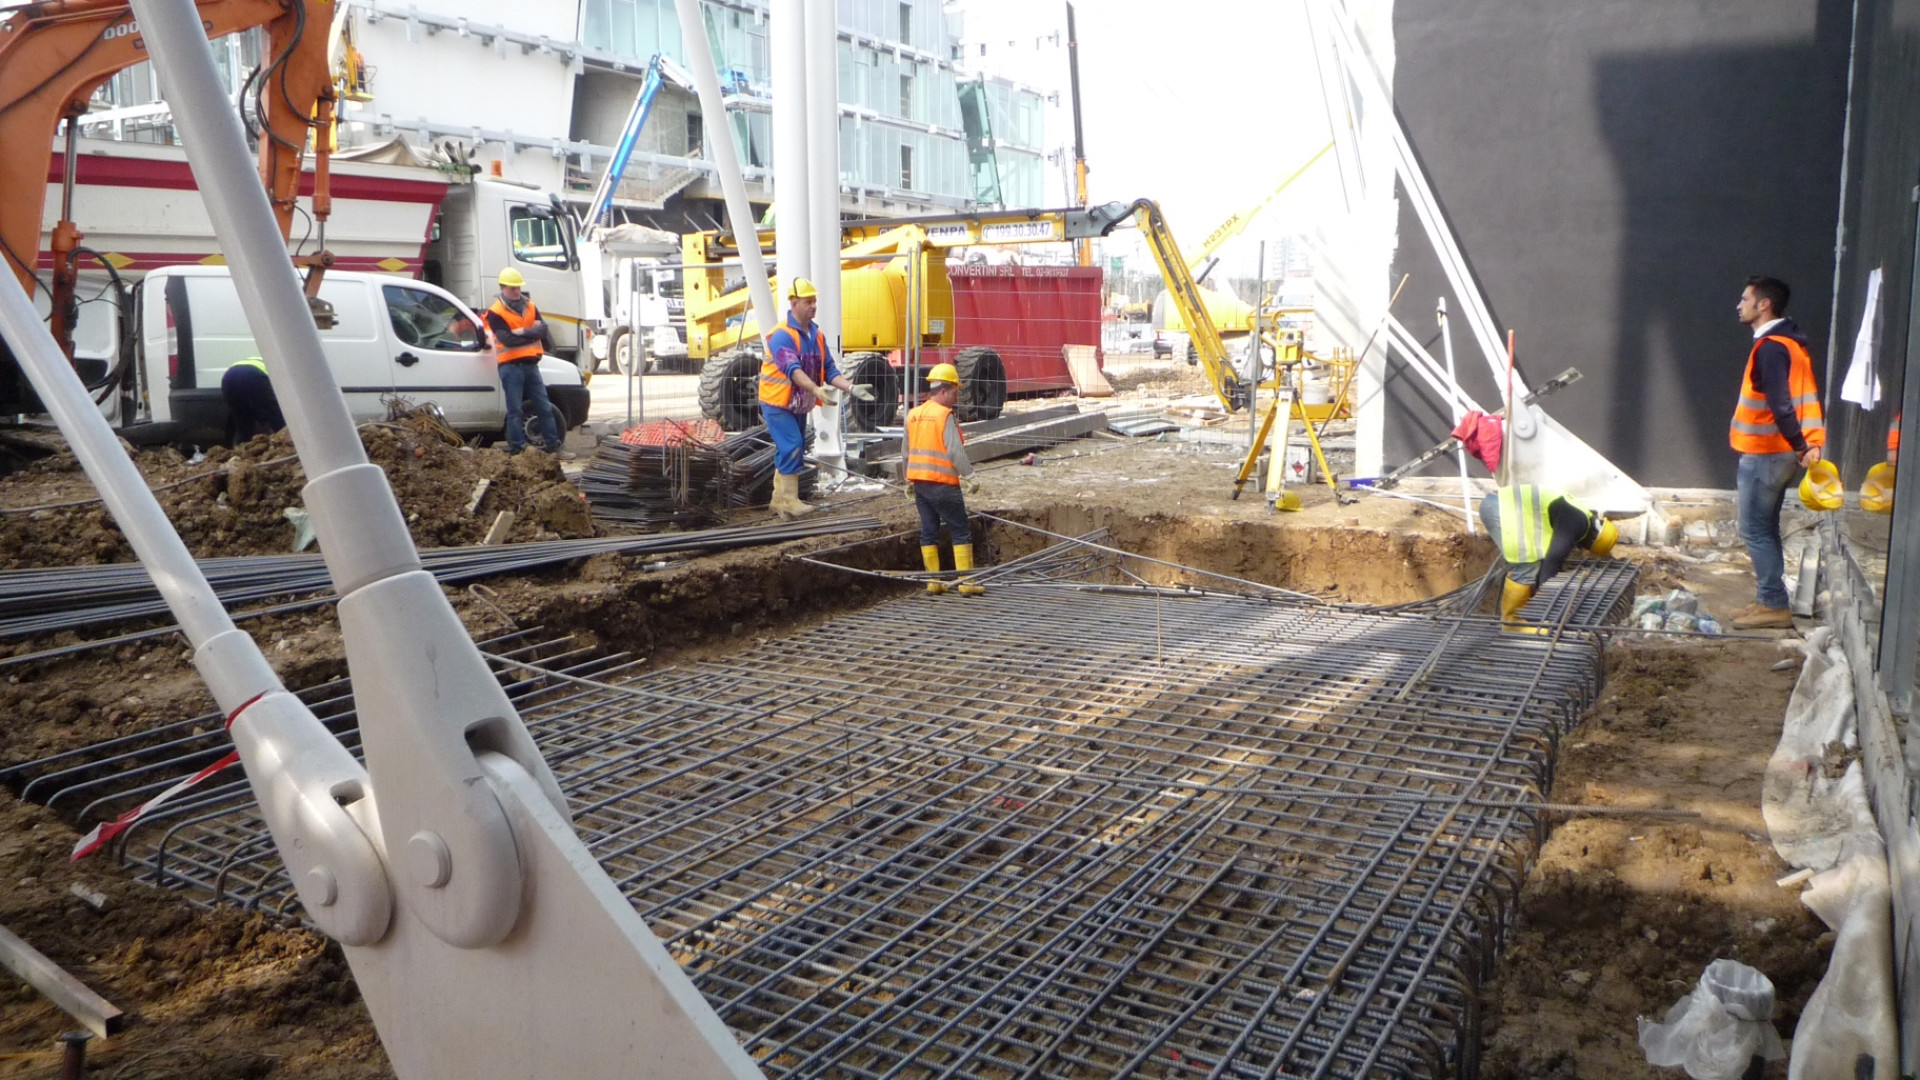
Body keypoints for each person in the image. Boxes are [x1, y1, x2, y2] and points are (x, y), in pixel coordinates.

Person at [1729, 276, 1824, 630]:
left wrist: (1800, 445)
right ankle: (1768, 600)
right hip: (1781, 453)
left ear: (1764, 304)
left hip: (1766, 453)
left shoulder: (1770, 348)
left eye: (1745, 299)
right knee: (1765, 528)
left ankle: (1772, 604)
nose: (1739, 305)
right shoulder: (1791, 344)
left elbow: (1781, 405)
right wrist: (1803, 445)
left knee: (1754, 529)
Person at [759, 277, 871, 517]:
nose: (814, 306)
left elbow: (829, 369)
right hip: (777, 401)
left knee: (791, 447)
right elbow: (792, 369)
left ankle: (778, 499)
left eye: (814, 301)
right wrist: (815, 389)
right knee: (792, 446)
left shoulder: (816, 334)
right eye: (808, 301)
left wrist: (850, 387)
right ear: (794, 303)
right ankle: (789, 501)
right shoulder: (782, 335)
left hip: (796, 402)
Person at [1478, 484, 1618, 632]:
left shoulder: (1581, 513)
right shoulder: (1579, 523)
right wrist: (1546, 595)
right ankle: (1512, 624)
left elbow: (1550, 555)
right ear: (1594, 537)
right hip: (1502, 510)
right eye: (1588, 546)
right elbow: (1553, 559)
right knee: (1526, 566)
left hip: (1501, 505)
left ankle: (1522, 616)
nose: (1582, 547)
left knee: (1534, 560)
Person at [907, 363, 983, 596]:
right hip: (944, 484)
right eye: (954, 391)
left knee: (928, 531)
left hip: (921, 485)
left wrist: (908, 480)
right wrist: (970, 476)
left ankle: (933, 582)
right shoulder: (944, 415)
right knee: (960, 530)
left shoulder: (914, 414)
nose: (956, 396)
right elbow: (954, 450)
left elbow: (905, 450)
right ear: (943, 390)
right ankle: (966, 582)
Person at [484, 267, 569, 458]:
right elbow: (507, 340)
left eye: (518, 288)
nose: (516, 291)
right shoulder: (495, 312)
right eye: (512, 288)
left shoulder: (530, 306)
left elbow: (543, 331)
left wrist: (521, 332)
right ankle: (518, 449)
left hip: (531, 365)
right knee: (515, 410)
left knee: (544, 407)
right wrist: (531, 333)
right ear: (503, 288)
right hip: (510, 366)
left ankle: (553, 446)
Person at [220, 356, 284, 444]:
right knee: (279, 421)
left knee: (243, 424)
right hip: (254, 376)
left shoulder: (267, 358)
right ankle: (292, 449)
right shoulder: (285, 367)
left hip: (229, 376)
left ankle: (239, 452)